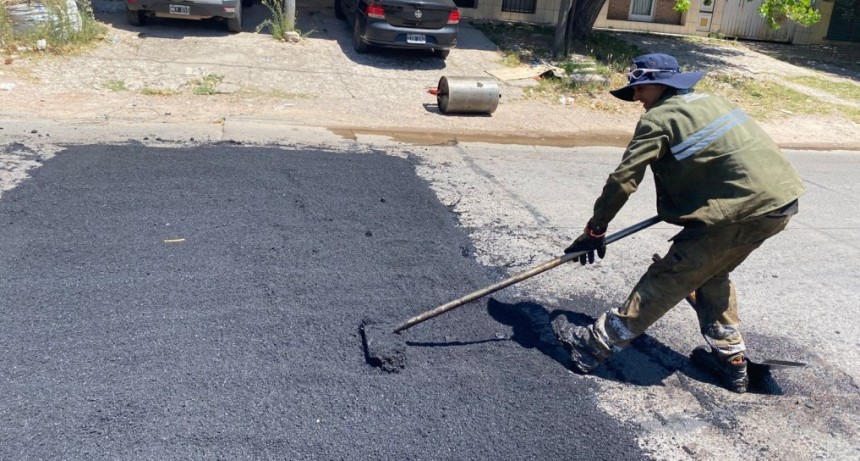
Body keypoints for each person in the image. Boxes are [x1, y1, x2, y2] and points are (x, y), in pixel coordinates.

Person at [551, 53, 804, 393]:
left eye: (640, 89)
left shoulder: (659, 119)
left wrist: (595, 229)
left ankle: (593, 345)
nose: (637, 97)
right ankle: (731, 360)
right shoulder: (713, 101)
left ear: (660, 84)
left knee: (669, 278)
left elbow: (624, 180)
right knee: (712, 274)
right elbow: (727, 158)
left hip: (739, 213)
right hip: (780, 204)